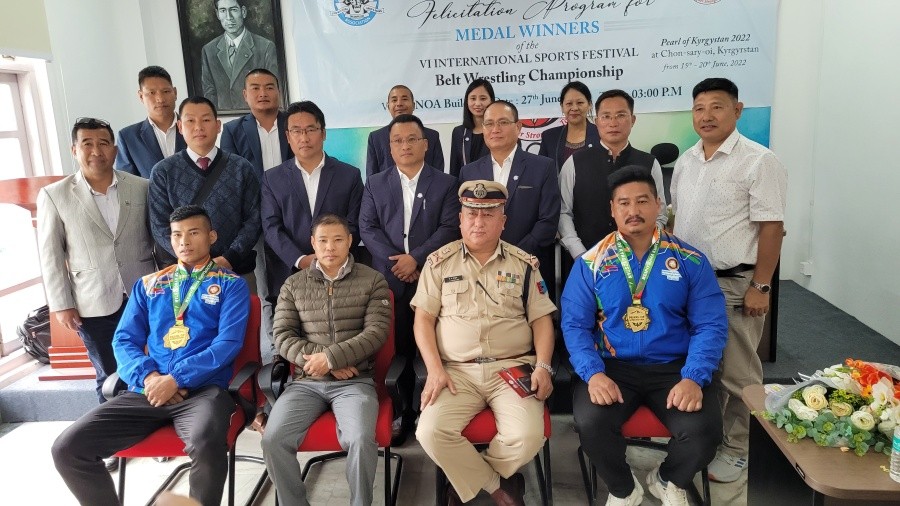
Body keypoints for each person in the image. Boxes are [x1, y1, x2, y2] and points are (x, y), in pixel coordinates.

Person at [51, 205, 250, 506]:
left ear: (211, 236)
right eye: (177, 235)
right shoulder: (149, 285)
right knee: (67, 448)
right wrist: (150, 377)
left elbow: (227, 344)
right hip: (147, 390)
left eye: (194, 233)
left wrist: (177, 378)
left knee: (206, 443)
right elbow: (124, 340)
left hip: (203, 392)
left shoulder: (231, 285)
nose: (184, 241)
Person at [562, 167, 727, 506]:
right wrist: (593, 375)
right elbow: (575, 326)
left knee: (704, 433)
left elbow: (709, 325)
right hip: (613, 367)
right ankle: (624, 489)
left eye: (641, 201)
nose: (632, 210)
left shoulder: (690, 260)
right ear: (612, 209)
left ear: (658, 205)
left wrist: (694, 377)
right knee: (591, 424)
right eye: (623, 203)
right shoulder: (590, 263)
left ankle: (667, 478)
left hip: (673, 368)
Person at [671, 77, 787, 483]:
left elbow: (772, 226)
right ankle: (709, 439)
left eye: (717, 106)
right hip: (687, 285)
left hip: (735, 284)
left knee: (739, 374)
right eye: (700, 107)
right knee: (702, 366)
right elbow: (677, 220)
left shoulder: (759, 160)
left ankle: (740, 448)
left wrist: (762, 284)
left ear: (737, 111)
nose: (707, 115)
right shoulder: (686, 161)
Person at [413, 180, 557, 506]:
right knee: (429, 432)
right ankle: (497, 485)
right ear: (460, 219)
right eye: (472, 214)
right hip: (456, 371)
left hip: (512, 368)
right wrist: (434, 370)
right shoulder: (438, 264)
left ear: (502, 221)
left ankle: (466, 482)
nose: (479, 222)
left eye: (488, 214)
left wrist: (545, 366)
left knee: (528, 436)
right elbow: (422, 320)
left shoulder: (524, 265)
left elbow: (542, 320)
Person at [262, 213, 391, 506]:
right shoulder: (293, 285)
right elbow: (281, 336)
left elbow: (376, 332)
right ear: (312, 244)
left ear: (350, 242)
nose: (330, 247)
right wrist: (323, 362)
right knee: (273, 440)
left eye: (337, 240)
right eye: (322, 240)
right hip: (307, 381)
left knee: (359, 439)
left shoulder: (373, 280)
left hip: (355, 381)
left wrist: (331, 358)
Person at [37, 117, 156, 403]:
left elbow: (158, 240)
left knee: (150, 368)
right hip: (93, 301)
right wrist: (62, 304)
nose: (96, 151)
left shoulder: (142, 187)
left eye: (103, 143)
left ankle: (149, 431)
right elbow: (50, 255)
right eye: (87, 144)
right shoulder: (55, 195)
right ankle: (118, 441)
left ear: (114, 149)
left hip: (144, 295)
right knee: (109, 375)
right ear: (74, 149)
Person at [359, 113, 461, 442]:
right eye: (398, 141)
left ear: (425, 144)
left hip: (431, 278)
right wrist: (397, 263)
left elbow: (449, 228)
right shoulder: (375, 183)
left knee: (433, 347)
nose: (405, 146)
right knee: (395, 348)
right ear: (389, 148)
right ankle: (402, 410)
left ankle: (432, 409)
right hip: (388, 281)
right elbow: (367, 228)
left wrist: (415, 258)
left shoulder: (445, 183)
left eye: (411, 139)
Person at [148, 96, 261, 285]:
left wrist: (229, 258)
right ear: (180, 127)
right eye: (190, 121)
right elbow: (159, 225)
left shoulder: (241, 167)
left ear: (218, 126)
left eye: (206, 120)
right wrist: (192, 261)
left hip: (235, 271)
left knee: (241, 315)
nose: (198, 127)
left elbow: (254, 220)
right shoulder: (163, 171)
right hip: (187, 276)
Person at [459, 100, 560, 301]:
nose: (495, 129)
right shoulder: (469, 171)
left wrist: (511, 256)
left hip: (529, 265)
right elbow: (465, 222)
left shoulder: (543, 167)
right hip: (482, 268)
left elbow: (548, 221)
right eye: (489, 123)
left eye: (503, 122)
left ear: (518, 127)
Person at [261, 100, 363, 299]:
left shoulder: (349, 175)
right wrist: (300, 259)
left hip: (340, 273)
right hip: (290, 274)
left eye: (310, 129)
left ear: (323, 133)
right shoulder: (272, 178)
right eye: (296, 131)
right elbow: (271, 227)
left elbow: (355, 223)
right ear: (287, 137)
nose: (304, 138)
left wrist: (329, 257)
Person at [558, 89, 668, 263]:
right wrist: (581, 254)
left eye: (621, 115)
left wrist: (646, 246)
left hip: (641, 261)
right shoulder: (574, 163)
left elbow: (660, 214)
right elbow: (563, 212)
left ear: (633, 120)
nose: (613, 123)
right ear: (596, 121)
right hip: (585, 261)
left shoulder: (649, 163)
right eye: (606, 116)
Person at [201, 0, 278, 111]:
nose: (229, 17)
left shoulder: (265, 47)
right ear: (217, 14)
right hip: (224, 120)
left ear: (243, 12)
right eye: (223, 10)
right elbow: (209, 93)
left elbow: (273, 90)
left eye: (233, 10)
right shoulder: (209, 50)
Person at [115, 66, 186, 178]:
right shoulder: (128, 137)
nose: (160, 99)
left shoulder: (193, 128)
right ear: (141, 96)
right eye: (152, 93)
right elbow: (127, 184)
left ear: (175, 93)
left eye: (166, 91)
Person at [366, 85, 445, 177]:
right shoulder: (376, 138)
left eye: (404, 99)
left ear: (414, 105)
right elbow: (371, 178)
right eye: (394, 100)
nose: (399, 104)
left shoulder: (432, 136)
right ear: (388, 106)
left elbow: (439, 175)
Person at [538, 81, 601, 170]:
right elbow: (541, 171)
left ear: (589, 105)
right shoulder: (549, 137)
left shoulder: (602, 134)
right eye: (569, 104)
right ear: (562, 107)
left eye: (580, 103)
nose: (574, 108)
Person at [448, 79, 495, 177]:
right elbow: (454, 170)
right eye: (473, 98)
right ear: (467, 101)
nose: (477, 103)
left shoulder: (498, 131)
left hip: (494, 188)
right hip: (466, 189)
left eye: (483, 98)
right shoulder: (459, 132)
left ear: (491, 100)